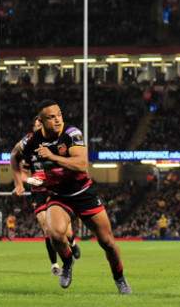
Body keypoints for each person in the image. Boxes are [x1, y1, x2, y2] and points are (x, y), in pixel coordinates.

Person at [11, 99, 132, 294]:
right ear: (41, 121)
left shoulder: (71, 133)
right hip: (60, 195)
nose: (58, 119)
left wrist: (52, 157)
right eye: (52, 117)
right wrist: (18, 182)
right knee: (55, 233)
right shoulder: (31, 140)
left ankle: (120, 278)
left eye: (59, 114)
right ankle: (67, 262)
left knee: (107, 242)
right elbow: (14, 155)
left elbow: (81, 164)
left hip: (84, 193)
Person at [15, 116, 80, 276]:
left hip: (54, 188)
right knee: (47, 229)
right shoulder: (29, 149)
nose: (40, 127)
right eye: (37, 124)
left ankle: (72, 242)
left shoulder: (53, 145)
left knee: (65, 230)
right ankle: (55, 265)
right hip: (38, 192)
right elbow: (23, 173)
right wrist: (29, 179)